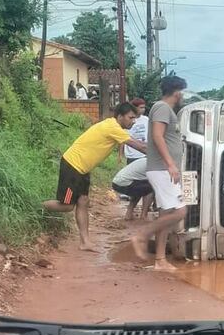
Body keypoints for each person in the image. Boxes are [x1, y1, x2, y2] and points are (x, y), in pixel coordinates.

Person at [42, 103, 146, 250]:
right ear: (120, 116)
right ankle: (37, 208)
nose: (133, 121)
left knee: (83, 201)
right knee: (67, 206)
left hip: (83, 169)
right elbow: (139, 146)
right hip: (73, 165)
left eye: (135, 118)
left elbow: (140, 144)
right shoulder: (113, 127)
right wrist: (162, 157)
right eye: (131, 118)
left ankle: (85, 242)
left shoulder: (113, 126)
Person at [131, 75, 188, 271]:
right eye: (183, 92)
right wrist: (171, 164)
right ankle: (142, 235)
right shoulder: (163, 107)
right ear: (177, 92)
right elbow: (157, 136)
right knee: (180, 211)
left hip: (164, 169)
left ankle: (160, 260)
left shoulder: (165, 109)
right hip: (163, 170)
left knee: (167, 213)